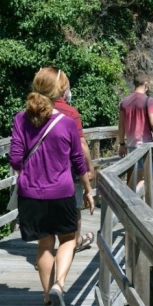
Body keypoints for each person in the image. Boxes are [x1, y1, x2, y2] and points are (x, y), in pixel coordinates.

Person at [9, 67, 94, 306]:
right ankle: (59, 285)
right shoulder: (66, 123)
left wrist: (31, 172)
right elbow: (79, 161)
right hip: (62, 192)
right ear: (58, 91)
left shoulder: (20, 119)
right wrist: (88, 190)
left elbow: (15, 159)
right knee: (67, 239)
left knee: (44, 245)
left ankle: (47, 301)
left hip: (31, 195)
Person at [54, 79, 95, 254]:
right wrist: (90, 167)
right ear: (64, 91)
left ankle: (48, 248)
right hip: (68, 169)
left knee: (51, 208)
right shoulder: (70, 112)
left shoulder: (37, 110)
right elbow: (81, 144)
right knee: (74, 206)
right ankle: (74, 241)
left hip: (44, 171)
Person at [118, 72, 153, 184]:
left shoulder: (124, 102)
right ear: (145, 83)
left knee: (137, 177)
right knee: (150, 178)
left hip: (132, 145)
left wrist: (122, 144)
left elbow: (121, 125)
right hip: (146, 145)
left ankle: (133, 199)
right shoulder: (148, 100)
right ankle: (136, 199)